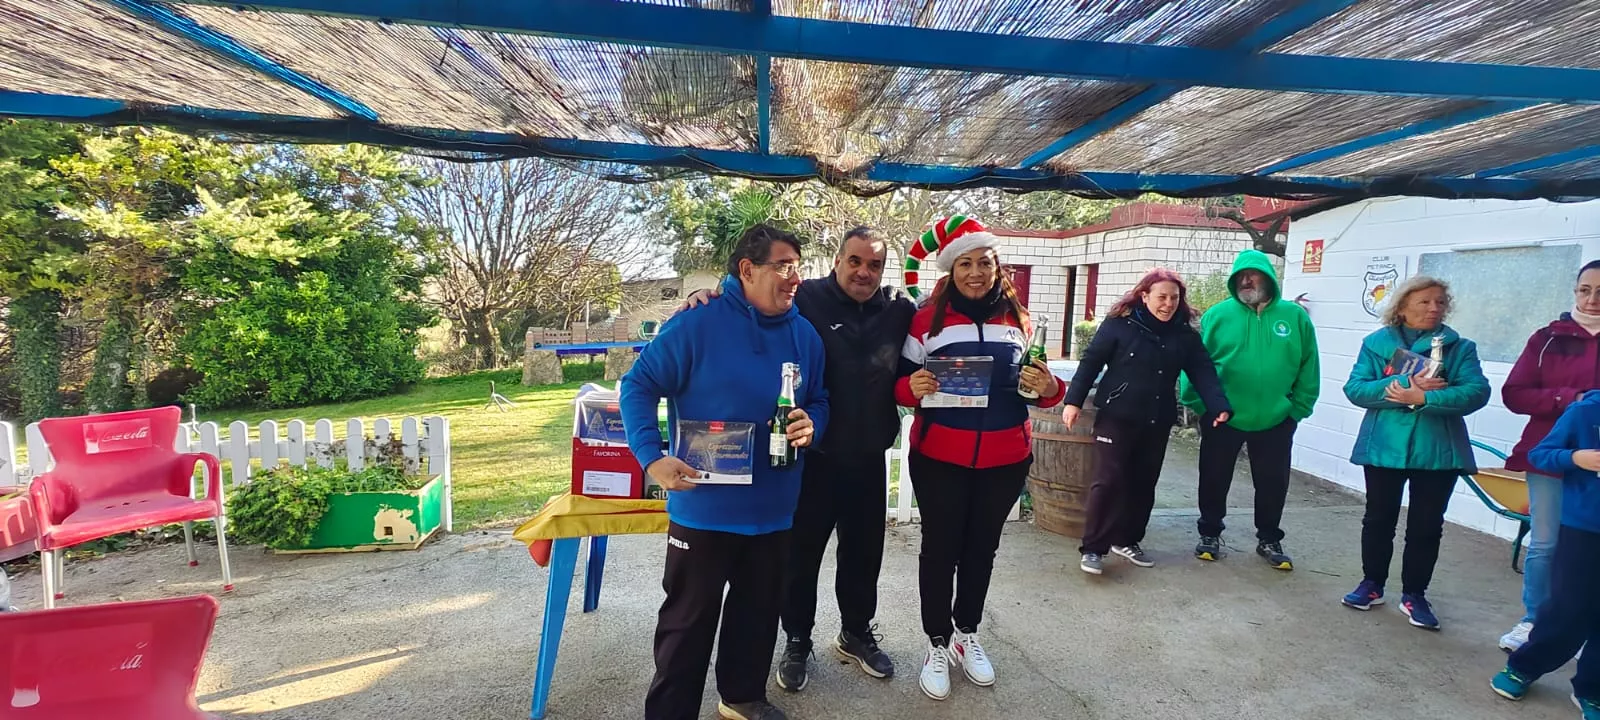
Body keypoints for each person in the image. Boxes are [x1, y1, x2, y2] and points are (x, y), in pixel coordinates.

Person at [679, 226, 915, 690]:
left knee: (864, 557)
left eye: (875, 264)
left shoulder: (898, 309)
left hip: (869, 459)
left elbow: (938, 316)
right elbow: (752, 292)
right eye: (855, 261)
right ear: (838, 260)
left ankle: (855, 633)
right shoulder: (804, 297)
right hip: (813, 459)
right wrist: (705, 293)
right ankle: (797, 639)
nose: (864, 272)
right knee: (799, 559)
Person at [620, 224, 830, 720]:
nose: (794, 276)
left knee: (757, 616)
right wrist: (652, 457)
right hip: (705, 508)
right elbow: (638, 385)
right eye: (782, 266)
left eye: (798, 266)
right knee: (687, 623)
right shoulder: (698, 322)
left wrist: (812, 423)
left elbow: (820, 398)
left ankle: (741, 697)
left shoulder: (804, 334)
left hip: (774, 511)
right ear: (747, 270)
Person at [894, 215, 1065, 702]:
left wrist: (1051, 389)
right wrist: (913, 387)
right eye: (965, 263)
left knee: (981, 551)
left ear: (997, 266)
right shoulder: (925, 319)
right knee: (940, 549)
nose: (976, 272)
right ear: (950, 269)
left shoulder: (1021, 320)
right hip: (939, 458)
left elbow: (1041, 389)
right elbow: (900, 385)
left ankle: (967, 634)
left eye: (984, 262)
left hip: (1005, 457)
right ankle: (935, 642)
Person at [1338, 275, 1489, 631]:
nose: (1434, 308)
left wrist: (1425, 399)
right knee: (1378, 520)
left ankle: (1415, 594)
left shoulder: (1460, 348)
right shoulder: (1376, 345)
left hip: (1437, 452)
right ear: (1402, 306)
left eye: (1440, 302)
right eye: (1424, 302)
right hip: (1384, 447)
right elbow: (1356, 389)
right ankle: (1371, 584)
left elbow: (1476, 393)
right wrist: (1407, 385)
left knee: (1426, 526)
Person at [1063, 269, 1233, 575]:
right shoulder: (1120, 325)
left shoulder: (1184, 335)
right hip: (1116, 416)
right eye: (1161, 297)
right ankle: (1093, 548)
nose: (1167, 304)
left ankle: (1126, 540)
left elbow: (1203, 371)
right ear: (1145, 296)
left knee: (1143, 483)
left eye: (1174, 298)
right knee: (1109, 481)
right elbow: (1091, 361)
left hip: (1156, 419)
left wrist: (1218, 405)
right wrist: (1072, 402)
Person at [1179, 249, 1320, 569]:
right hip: (1222, 417)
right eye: (1240, 276)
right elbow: (1195, 364)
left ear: (1269, 278)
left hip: (1276, 419)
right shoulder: (1217, 316)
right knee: (1213, 477)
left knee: (1273, 482)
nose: (1246, 280)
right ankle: (1210, 533)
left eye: (1253, 275)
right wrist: (1201, 404)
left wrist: (1296, 410)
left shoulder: (1294, 317)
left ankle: (1269, 538)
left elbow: (1309, 365)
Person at [1497, 260, 1600, 653]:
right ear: (1574, 292)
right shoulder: (1547, 339)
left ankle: (1584, 627)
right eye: (1584, 289)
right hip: (1552, 457)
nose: (1592, 299)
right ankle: (1534, 619)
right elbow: (1515, 394)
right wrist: (1568, 399)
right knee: (1545, 543)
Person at [1490, 390, 1600, 720]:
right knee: (1567, 608)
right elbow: (1542, 454)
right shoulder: (1584, 413)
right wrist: (1576, 458)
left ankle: (1592, 688)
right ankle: (1525, 666)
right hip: (1584, 528)